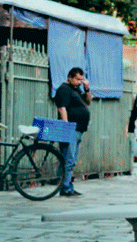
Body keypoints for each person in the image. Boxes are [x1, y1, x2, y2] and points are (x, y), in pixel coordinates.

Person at [54, 67, 91, 197]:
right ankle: (65, 188)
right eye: (77, 79)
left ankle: (68, 185)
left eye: (81, 79)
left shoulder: (76, 90)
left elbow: (88, 102)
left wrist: (86, 89)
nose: (80, 82)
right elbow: (62, 109)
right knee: (68, 160)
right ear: (69, 77)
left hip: (79, 130)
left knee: (72, 160)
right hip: (71, 130)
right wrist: (66, 127)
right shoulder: (64, 89)